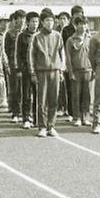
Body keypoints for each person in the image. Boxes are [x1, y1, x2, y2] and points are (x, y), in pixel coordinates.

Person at [29, 9, 65, 137]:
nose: (49, 23)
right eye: (47, 21)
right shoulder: (36, 37)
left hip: (55, 70)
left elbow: (62, 53)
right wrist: (32, 72)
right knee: (42, 100)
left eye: (51, 20)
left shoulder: (58, 36)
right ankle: (42, 126)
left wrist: (61, 70)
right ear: (42, 22)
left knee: (54, 99)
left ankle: (51, 125)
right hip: (41, 71)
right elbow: (31, 56)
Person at [64, 15, 92, 126]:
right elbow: (68, 58)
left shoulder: (90, 38)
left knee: (87, 96)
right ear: (76, 25)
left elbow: (94, 55)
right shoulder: (71, 40)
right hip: (76, 71)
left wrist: (93, 70)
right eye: (81, 24)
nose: (83, 26)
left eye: (85, 24)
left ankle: (85, 116)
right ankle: (77, 117)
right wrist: (70, 72)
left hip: (88, 70)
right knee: (76, 95)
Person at [15, 12, 38, 129]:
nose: (35, 24)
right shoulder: (22, 36)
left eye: (37, 21)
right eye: (33, 21)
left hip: (38, 70)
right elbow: (18, 54)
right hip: (25, 69)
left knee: (38, 95)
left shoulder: (40, 35)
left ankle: (36, 117)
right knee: (27, 95)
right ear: (28, 22)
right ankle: (26, 118)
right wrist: (19, 69)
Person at [5, 9, 25, 122]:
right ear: (15, 20)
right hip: (13, 64)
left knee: (26, 90)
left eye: (23, 18)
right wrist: (9, 64)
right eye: (20, 18)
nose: (22, 21)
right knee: (15, 89)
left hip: (25, 64)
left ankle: (25, 112)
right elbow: (7, 50)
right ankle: (15, 112)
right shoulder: (10, 33)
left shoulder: (27, 32)